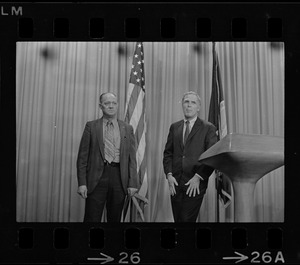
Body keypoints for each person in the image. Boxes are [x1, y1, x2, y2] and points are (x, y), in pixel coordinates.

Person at [76, 92, 138, 222]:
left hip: (119, 178)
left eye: (114, 103)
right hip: (96, 179)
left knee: (114, 220)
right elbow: (82, 158)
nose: (111, 106)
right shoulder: (91, 126)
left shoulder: (127, 128)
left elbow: (132, 159)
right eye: (107, 103)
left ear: (117, 105)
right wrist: (82, 183)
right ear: (100, 106)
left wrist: (132, 183)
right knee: (91, 219)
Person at [163, 91, 218, 222]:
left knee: (187, 221)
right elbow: (168, 153)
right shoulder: (175, 127)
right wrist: (169, 175)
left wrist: (198, 177)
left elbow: (211, 156)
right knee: (178, 220)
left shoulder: (208, 128)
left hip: (195, 182)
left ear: (198, 107)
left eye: (193, 102)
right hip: (175, 183)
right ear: (182, 105)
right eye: (186, 102)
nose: (189, 105)